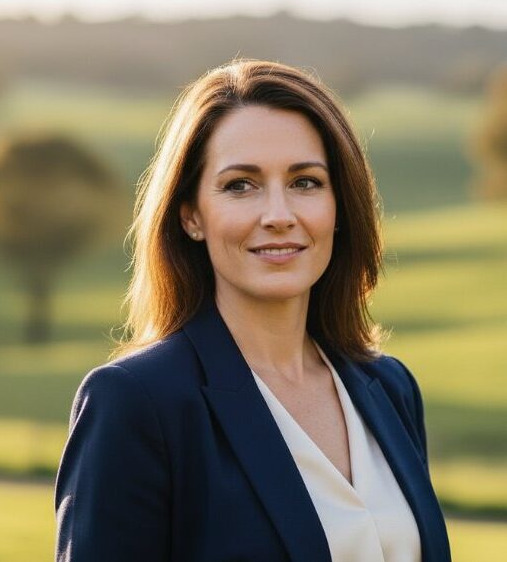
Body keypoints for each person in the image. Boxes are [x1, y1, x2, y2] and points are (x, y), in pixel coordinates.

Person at [54, 58, 451, 562]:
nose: (279, 216)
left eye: (305, 182)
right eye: (240, 185)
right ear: (192, 215)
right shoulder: (136, 403)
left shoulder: (389, 388)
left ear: (339, 207)